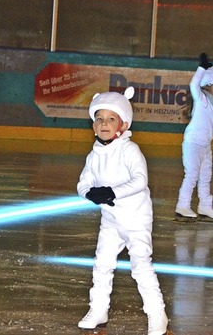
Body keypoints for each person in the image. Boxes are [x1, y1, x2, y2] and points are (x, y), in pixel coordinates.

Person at [76, 87, 169, 335]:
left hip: (136, 219)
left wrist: (111, 192)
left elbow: (140, 180)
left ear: (123, 124)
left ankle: (157, 314)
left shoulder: (130, 150)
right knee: (102, 264)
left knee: (140, 266)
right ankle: (98, 309)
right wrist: (89, 193)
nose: (104, 123)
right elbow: (83, 183)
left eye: (111, 119)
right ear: (93, 126)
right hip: (111, 220)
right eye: (99, 119)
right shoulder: (94, 156)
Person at [174, 53, 213, 222]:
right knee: (192, 174)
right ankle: (183, 205)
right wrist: (201, 67)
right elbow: (193, 84)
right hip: (192, 144)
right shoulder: (202, 100)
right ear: (207, 86)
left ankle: (205, 206)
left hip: (206, 146)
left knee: (206, 176)